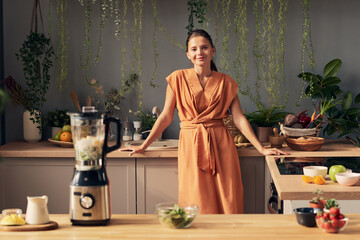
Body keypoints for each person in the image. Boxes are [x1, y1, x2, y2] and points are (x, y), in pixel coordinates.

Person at [120, 29, 288, 214]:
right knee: (196, 199)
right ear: (188, 55)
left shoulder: (227, 82)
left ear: (213, 51)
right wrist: (144, 145)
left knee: (227, 198)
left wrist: (261, 148)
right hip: (192, 146)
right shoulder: (177, 79)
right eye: (194, 49)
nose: (199, 52)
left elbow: (238, 118)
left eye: (204, 47)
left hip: (222, 146)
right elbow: (165, 116)